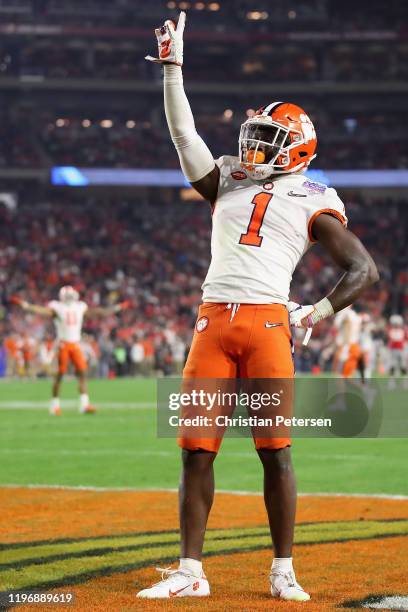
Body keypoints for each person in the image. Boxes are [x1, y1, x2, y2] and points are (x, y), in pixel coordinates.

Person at [138, 12, 378, 601]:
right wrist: (173, 69)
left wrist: (312, 314)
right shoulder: (227, 179)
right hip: (212, 323)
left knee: (276, 454)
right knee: (196, 452)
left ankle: (283, 571)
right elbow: (183, 136)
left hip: (270, 323)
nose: (254, 145)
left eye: (269, 139)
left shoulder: (313, 196)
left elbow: (363, 269)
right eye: (256, 136)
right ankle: (191, 572)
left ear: (297, 150)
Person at [12, 286, 129, 415]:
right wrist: (26, 305)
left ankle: (84, 405)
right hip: (63, 343)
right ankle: (54, 405)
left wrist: (117, 307)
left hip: (75, 344)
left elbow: (98, 312)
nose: (69, 298)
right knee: (60, 375)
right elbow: (42, 311)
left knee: (83, 372)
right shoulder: (57, 307)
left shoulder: (79, 307)